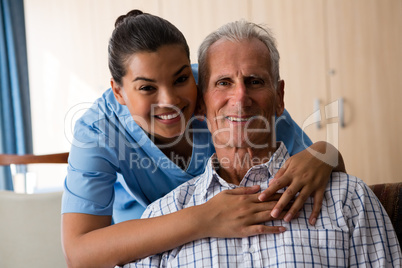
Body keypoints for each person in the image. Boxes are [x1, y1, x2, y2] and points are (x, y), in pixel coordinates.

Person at [61, 10, 346, 267]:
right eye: (147, 87)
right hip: (143, 241)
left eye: (181, 79)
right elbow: (79, 253)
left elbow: (319, 169)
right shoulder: (98, 130)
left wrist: (325, 152)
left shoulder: (226, 93)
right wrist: (205, 217)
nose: (170, 100)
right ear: (119, 92)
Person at [124, 20, 402, 267]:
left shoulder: (349, 199)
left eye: (255, 81)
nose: (241, 97)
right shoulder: (162, 216)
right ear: (201, 103)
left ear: (279, 97)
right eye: (223, 83)